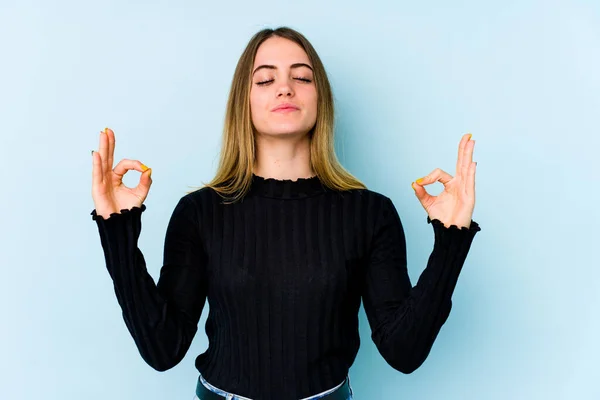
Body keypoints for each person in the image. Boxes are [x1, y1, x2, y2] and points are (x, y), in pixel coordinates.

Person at [90, 26, 481, 400]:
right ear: (244, 100)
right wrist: (117, 230)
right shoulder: (200, 213)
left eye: (303, 78)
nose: (285, 87)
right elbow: (162, 349)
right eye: (264, 80)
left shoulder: (370, 213)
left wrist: (451, 237)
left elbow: (404, 352)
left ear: (319, 98)